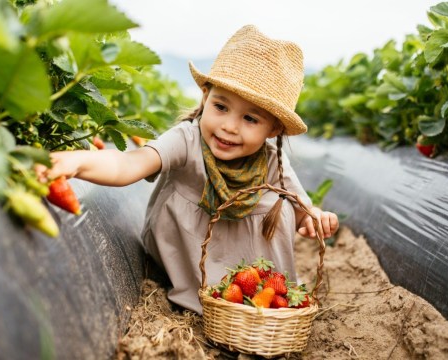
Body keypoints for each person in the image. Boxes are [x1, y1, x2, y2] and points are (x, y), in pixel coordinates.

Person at [36, 25, 339, 314]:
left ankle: (259, 307)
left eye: (250, 119)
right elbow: (129, 163)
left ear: (273, 129)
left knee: (279, 204)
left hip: (257, 284)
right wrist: (78, 161)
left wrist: (315, 219)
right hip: (193, 263)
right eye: (221, 107)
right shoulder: (186, 139)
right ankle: (211, 299)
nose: (229, 127)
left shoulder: (271, 161)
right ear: (205, 97)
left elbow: (304, 211)